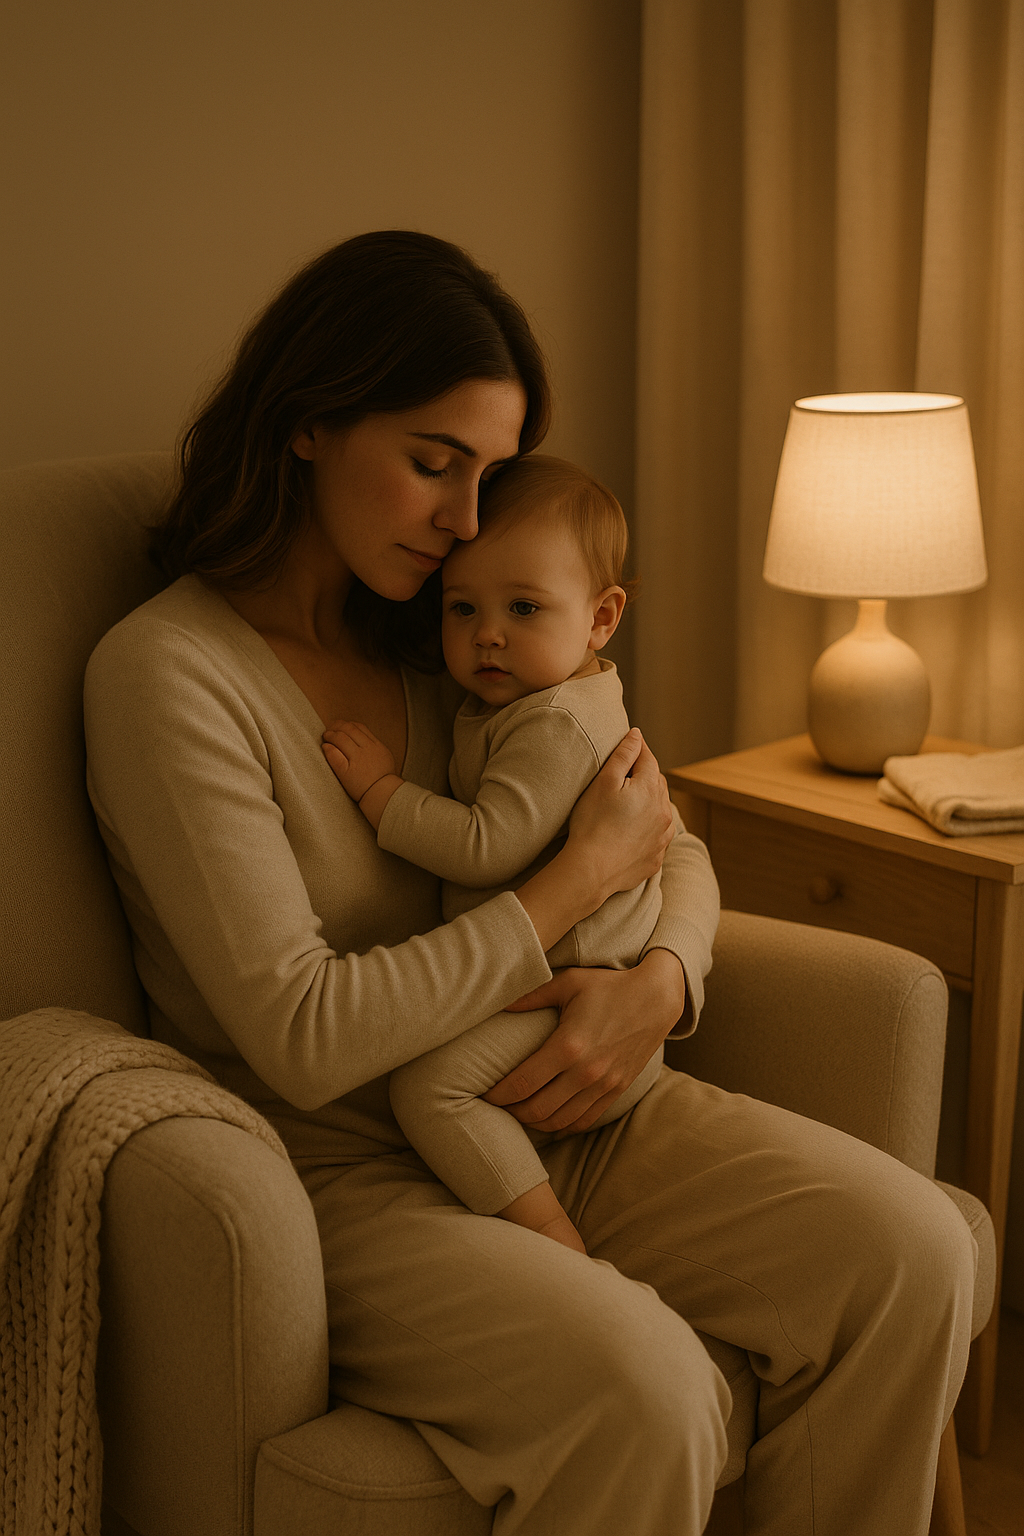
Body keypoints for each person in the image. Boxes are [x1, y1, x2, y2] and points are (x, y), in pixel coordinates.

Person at [83, 229, 976, 1536]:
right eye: (434, 464)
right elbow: (303, 1032)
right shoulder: (168, 676)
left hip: (571, 1101)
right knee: (650, 1392)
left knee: (920, 1256)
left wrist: (661, 982)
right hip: (343, 1172)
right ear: (312, 424)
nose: (465, 519)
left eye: (489, 474)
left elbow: (658, 834)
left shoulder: (457, 634)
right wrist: (561, 902)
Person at [322, 453, 669, 1256]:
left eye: (522, 607)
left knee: (429, 1090)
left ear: (601, 617)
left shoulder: (552, 723)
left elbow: (486, 845)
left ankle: (548, 1231)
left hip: (580, 1005)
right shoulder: (525, 693)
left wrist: (381, 793)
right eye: (462, 608)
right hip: (560, 993)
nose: (487, 636)